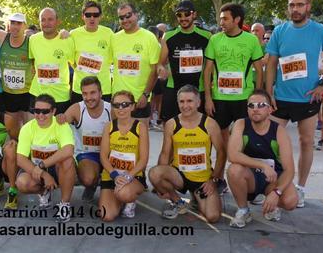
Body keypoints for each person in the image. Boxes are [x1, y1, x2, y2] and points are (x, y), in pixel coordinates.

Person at [265, 0, 323, 207]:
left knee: (306, 142)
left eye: (300, 5)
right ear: (288, 7)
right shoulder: (280, 31)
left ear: (308, 6)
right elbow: (271, 64)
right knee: (270, 143)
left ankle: (300, 188)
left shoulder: (319, 30)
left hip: (308, 99)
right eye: (292, 5)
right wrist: (268, 92)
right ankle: (270, 186)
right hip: (280, 98)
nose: (296, 9)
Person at [203, 3, 263, 188]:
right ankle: (218, 179)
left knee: (246, 142)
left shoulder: (251, 40)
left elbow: (259, 70)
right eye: (220, 18)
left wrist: (257, 98)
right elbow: (208, 71)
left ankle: (249, 181)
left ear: (237, 20)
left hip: (243, 99)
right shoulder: (215, 39)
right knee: (219, 142)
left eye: (225, 18)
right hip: (220, 99)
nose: (221, 22)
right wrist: (208, 98)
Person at [149, 85, 225, 222]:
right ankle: (178, 202)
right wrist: (158, 185)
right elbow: (165, 153)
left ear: (198, 103)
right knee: (154, 173)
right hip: (179, 175)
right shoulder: (172, 124)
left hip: (202, 179)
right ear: (177, 103)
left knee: (212, 217)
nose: (185, 106)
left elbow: (221, 153)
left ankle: (196, 197)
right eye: (182, 102)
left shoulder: (210, 124)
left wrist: (214, 180)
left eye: (189, 101)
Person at [227, 90, 298, 228]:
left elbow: (290, 170)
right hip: (250, 178)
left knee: (291, 201)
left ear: (270, 109)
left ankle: (272, 204)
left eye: (261, 105)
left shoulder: (279, 131)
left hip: (272, 179)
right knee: (234, 170)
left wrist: (276, 193)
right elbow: (232, 155)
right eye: (251, 105)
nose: (255, 109)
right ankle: (243, 210)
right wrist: (262, 165)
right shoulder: (241, 124)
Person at [16, 94, 76, 222]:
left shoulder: (61, 125)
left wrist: (42, 165)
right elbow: (20, 158)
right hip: (38, 169)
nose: (41, 115)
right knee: (21, 183)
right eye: (37, 111)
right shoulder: (27, 128)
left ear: (53, 111)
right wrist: (43, 173)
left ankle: (64, 204)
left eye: (45, 111)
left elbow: (68, 150)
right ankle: (44, 192)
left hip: (56, 168)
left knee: (67, 160)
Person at [56, 76, 111, 202]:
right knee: (88, 178)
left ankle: (108, 185)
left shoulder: (111, 109)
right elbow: (59, 126)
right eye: (85, 93)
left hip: (109, 155)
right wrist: (60, 119)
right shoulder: (77, 108)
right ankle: (91, 184)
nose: (89, 97)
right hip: (87, 154)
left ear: (101, 93)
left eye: (93, 93)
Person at [99, 90, 149, 221]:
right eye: (116, 105)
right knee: (107, 216)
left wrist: (127, 176)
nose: (120, 108)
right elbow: (103, 156)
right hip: (112, 175)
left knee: (125, 193)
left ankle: (129, 199)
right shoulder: (108, 127)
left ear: (132, 106)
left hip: (133, 176)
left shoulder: (140, 127)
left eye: (125, 104)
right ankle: (118, 198)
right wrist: (115, 175)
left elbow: (143, 159)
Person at [158, 0, 211, 122]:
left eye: (187, 14)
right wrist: (161, 69)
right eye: (179, 15)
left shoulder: (206, 36)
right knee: (171, 127)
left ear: (194, 14)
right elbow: (160, 63)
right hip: (174, 88)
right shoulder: (169, 35)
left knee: (200, 128)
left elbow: (210, 65)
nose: (183, 18)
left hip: (199, 88)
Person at [112, 3, 160, 123]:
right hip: (117, 100)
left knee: (140, 139)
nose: (125, 20)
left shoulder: (149, 37)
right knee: (117, 139)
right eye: (121, 18)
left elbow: (154, 70)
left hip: (140, 100)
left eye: (128, 16)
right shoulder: (114, 38)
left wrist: (146, 94)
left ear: (136, 15)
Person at [29, 8, 75, 114]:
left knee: (59, 128)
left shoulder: (67, 40)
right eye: (43, 20)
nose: (46, 23)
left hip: (60, 97)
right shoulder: (33, 39)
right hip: (37, 94)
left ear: (58, 21)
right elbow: (32, 61)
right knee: (37, 128)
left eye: (50, 19)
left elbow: (74, 65)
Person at [70, 1, 114, 104]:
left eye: (96, 15)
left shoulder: (109, 33)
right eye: (88, 15)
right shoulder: (74, 34)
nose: (92, 18)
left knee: (104, 120)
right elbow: (70, 60)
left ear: (100, 17)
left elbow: (112, 59)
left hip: (103, 89)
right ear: (83, 16)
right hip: (80, 89)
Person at [0, 13, 33, 126]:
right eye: (13, 23)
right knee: (13, 126)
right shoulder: (3, 37)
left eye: (19, 23)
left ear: (24, 26)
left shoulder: (31, 42)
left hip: (27, 92)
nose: (15, 26)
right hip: (8, 92)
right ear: (9, 25)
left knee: (28, 126)